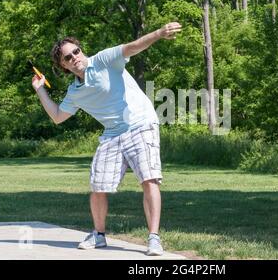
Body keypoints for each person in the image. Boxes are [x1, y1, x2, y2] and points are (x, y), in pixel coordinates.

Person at [31, 22, 182, 256]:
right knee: (98, 185)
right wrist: (40, 89)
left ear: (82, 50)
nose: (74, 57)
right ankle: (99, 235)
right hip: (112, 134)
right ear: (63, 65)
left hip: (141, 123)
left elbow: (132, 47)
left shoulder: (103, 60)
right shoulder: (75, 92)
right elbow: (58, 117)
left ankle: (153, 238)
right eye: (68, 58)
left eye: (76, 52)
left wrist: (160, 33)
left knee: (149, 179)